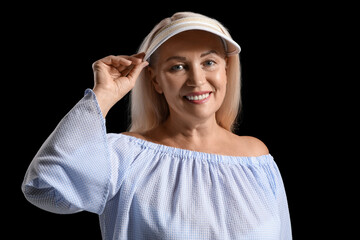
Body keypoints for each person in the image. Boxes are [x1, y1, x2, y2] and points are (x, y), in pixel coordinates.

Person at [22, 12, 292, 239]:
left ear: (226, 70)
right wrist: (103, 95)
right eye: (177, 67)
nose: (197, 80)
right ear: (155, 81)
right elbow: (44, 186)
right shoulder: (124, 156)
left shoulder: (256, 158)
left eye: (209, 62)